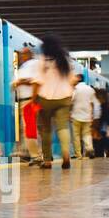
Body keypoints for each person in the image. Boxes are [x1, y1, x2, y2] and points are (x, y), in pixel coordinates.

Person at [34, 35, 76, 169]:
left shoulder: (42, 61)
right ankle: (66, 156)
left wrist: (33, 98)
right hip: (64, 98)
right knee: (63, 127)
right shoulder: (65, 60)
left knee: (46, 130)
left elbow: (38, 82)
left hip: (45, 98)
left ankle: (47, 161)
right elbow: (72, 80)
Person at [11, 45, 43, 165]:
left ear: (29, 54)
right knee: (30, 128)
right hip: (26, 100)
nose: (21, 57)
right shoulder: (26, 66)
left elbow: (35, 81)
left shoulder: (33, 64)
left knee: (30, 128)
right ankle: (33, 153)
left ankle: (36, 155)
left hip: (29, 100)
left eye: (23, 54)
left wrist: (19, 82)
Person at [69, 71, 98, 160]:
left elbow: (71, 101)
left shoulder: (75, 89)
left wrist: (69, 112)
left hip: (76, 115)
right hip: (87, 115)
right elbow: (93, 103)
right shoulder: (90, 89)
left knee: (76, 136)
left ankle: (79, 155)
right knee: (86, 134)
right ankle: (89, 148)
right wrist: (93, 115)